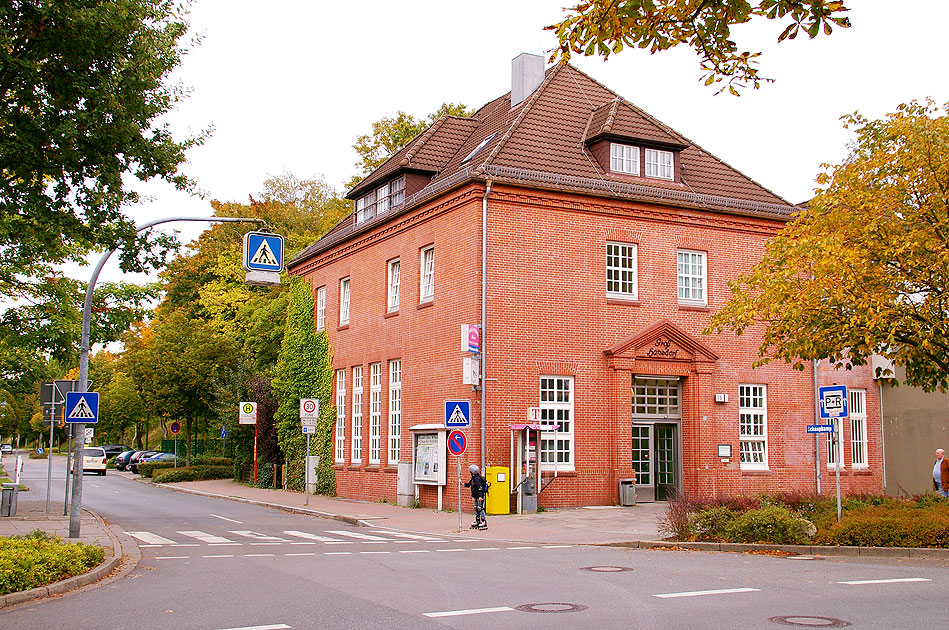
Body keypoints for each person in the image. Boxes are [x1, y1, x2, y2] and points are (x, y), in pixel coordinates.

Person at [463, 464, 488, 529]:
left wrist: (480, 496)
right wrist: (463, 484)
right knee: (476, 508)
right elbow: (469, 484)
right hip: (475, 496)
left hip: (479, 496)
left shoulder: (477, 478)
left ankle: (483, 521)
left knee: (480, 508)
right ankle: (477, 520)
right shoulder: (473, 478)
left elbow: (479, 487)